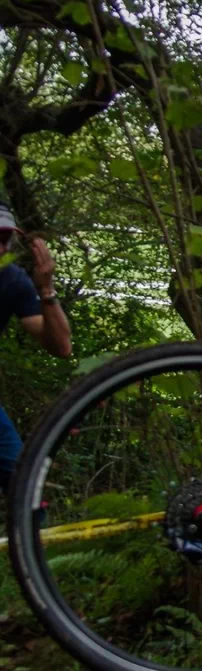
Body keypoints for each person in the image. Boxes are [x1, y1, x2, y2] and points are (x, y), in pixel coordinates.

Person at [0, 188, 73, 491]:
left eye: (4, 240)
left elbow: (61, 347)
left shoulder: (11, 280)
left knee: (26, 487)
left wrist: (46, 289)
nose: (0, 248)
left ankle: (26, 536)